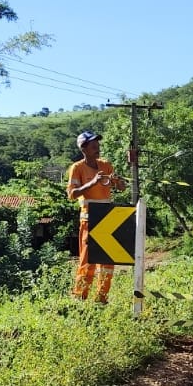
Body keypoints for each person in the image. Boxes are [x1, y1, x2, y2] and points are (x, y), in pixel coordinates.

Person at [65, 130, 126, 304]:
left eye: (98, 144)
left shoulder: (106, 165)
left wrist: (120, 183)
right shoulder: (77, 168)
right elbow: (72, 194)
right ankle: (80, 298)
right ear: (83, 148)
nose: (97, 147)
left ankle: (101, 299)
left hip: (107, 219)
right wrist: (92, 183)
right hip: (89, 219)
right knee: (87, 262)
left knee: (107, 263)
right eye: (93, 144)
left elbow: (120, 187)